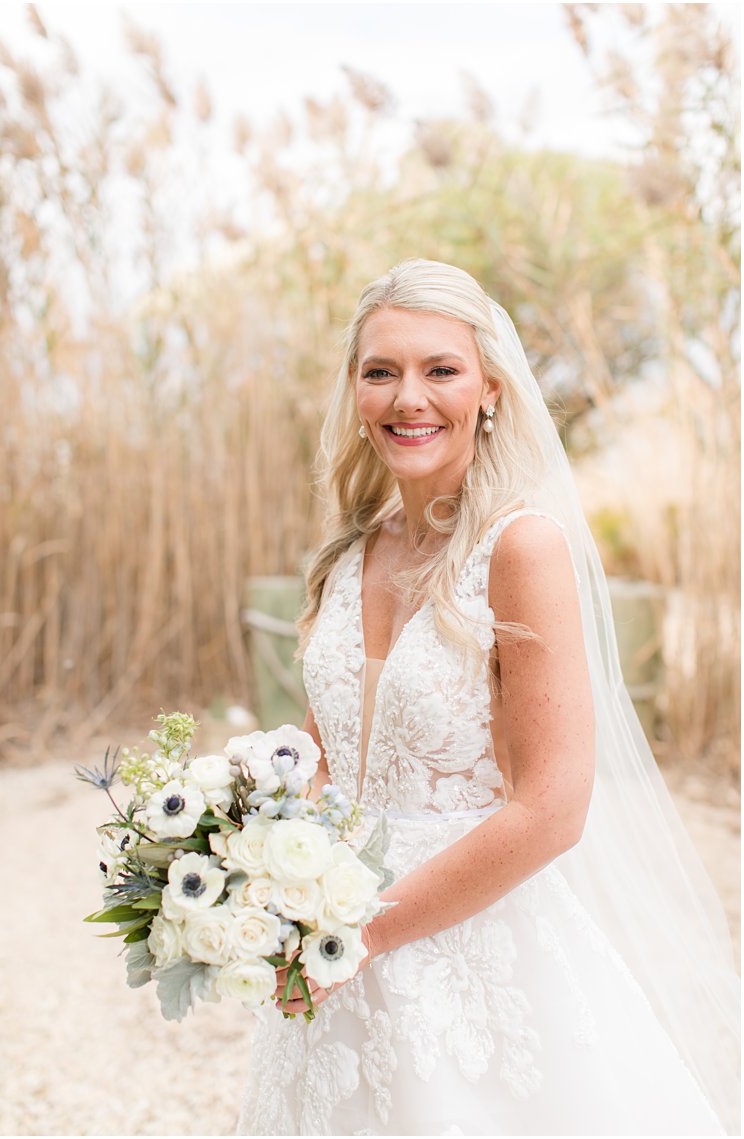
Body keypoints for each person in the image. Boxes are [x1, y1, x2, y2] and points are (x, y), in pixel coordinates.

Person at [237, 259, 738, 1135]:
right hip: (331, 956)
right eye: (381, 371)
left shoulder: (522, 549)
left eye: (440, 369)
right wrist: (252, 862)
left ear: (491, 390)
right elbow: (323, 751)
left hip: (465, 948)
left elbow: (551, 808)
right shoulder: (350, 555)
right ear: (355, 391)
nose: (408, 399)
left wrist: (367, 931)